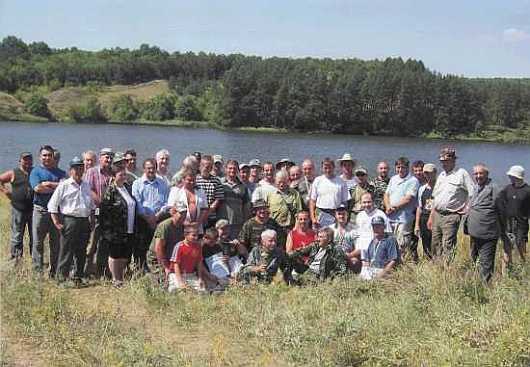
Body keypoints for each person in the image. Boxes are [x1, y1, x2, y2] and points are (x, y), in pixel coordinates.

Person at [47, 157, 94, 285]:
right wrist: (56, 222)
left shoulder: (86, 185)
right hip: (70, 220)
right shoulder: (64, 185)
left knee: (81, 251)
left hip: (84, 221)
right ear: (70, 170)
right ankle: (61, 278)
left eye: (81, 168)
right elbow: (52, 205)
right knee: (66, 250)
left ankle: (78, 277)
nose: (79, 171)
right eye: (75, 169)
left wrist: (92, 221)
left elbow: (91, 205)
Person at [427, 147, 474, 262]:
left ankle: (448, 268)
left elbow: (473, 192)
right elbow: (434, 197)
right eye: (442, 161)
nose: (444, 164)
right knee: (435, 243)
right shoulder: (442, 175)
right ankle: (437, 268)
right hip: (437, 214)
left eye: (446, 161)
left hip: (451, 215)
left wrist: (466, 208)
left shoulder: (461, 173)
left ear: (453, 160)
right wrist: (430, 216)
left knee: (448, 243)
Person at [29, 145, 66, 277]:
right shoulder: (35, 172)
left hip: (56, 212)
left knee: (56, 243)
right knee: (38, 242)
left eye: (49, 155)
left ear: (53, 157)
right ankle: (37, 272)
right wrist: (57, 188)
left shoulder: (61, 173)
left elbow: (65, 189)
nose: (47, 158)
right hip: (41, 211)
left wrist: (48, 184)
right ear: (40, 157)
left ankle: (54, 271)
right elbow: (37, 189)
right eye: (44, 155)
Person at [99, 164, 137, 286]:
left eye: (124, 174)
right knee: (115, 254)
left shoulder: (127, 187)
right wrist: (107, 230)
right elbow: (104, 211)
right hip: (115, 230)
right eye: (121, 175)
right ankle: (116, 279)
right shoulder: (110, 190)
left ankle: (121, 276)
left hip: (129, 227)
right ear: (114, 176)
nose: (123, 177)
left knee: (125, 253)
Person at [464, 164, 501, 283]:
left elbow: (501, 209)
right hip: (474, 233)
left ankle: (485, 288)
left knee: (486, 262)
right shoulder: (476, 187)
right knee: (475, 259)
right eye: (476, 173)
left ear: (487, 174)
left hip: (488, 234)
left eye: (481, 173)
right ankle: (476, 282)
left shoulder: (493, 188)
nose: (478, 176)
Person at [132, 158, 170, 272]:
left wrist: (157, 216)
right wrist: (147, 218)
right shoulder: (137, 183)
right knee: (142, 245)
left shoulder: (163, 184)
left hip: (159, 218)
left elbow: (167, 202)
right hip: (143, 219)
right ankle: (141, 269)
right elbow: (137, 202)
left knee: (158, 245)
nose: (151, 170)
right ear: (144, 169)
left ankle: (158, 267)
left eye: (153, 168)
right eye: (148, 168)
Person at [84, 147, 114, 277]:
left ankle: (100, 271)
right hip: (95, 213)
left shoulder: (113, 173)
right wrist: (101, 204)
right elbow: (89, 190)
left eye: (110, 157)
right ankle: (85, 271)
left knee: (105, 244)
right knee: (91, 244)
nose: (108, 159)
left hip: (109, 216)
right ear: (100, 158)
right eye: (106, 156)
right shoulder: (92, 172)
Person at [384, 157, 420, 262]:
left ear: (407, 168)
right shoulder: (393, 179)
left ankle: (401, 266)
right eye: (398, 167)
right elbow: (386, 194)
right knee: (389, 242)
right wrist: (387, 206)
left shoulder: (413, 181)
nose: (400, 170)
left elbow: (408, 198)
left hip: (404, 219)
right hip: (390, 217)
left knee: (402, 245)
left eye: (403, 167)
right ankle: (390, 264)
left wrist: (393, 208)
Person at [0, 152, 34, 260]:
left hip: (34, 210)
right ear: (20, 161)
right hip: (18, 209)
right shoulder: (13, 172)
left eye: (29, 159)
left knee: (35, 236)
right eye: (25, 159)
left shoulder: (35, 172)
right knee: (17, 235)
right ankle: (16, 259)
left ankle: (34, 259)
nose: (27, 161)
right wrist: (5, 191)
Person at [498, 165, 530, 273]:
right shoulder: (507, 188)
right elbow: (499, 201)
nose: (510, 177)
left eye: (511, 175)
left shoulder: (527, 190)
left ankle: (524, 271)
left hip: (521, 225)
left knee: (521, 247)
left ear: (518, 177)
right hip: (508, 224)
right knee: (507, 248)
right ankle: (506, 273)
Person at [168, 224, 217, 292]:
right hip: (176, 274)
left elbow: (199, 263)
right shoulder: (179, 246)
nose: (196, 237)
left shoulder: (198, 246)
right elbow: (175, 265)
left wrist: (200, 278)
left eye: (197, 235)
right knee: (177, 290)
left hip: (190, 274)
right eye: (193, 235)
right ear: (186, 235)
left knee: (202, 291)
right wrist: (180, 281)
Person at [149, 204, 187, 285]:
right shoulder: (164, 226)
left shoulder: (183, 226)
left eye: (185, 213)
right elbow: (158, 249)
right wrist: (166, 267)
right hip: (157, 258)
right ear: (173, 212)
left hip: (172, 257)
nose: (183, 215)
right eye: (181, 213)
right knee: (163, 282)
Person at [309, 158, 350, 228]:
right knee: (320, 237)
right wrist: (313, 218)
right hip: (320, 213)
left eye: (330, 167)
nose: (328, 170)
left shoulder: (341, 182)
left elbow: (345, 203)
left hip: (335, 214)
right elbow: (312, 201)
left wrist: (343, 217)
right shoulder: (317, 180)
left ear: (334, 167)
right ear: (322, 168)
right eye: (325, 168)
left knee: (335, 237)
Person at [217, 160, 251, 239]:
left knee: (235, 246)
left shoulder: (243, 187)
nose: (232, 170)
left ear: (238, 171)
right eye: (230, 168)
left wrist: (245, 223)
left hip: (237, 224)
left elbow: (246, 207)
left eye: (234, 168)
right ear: (225, 169)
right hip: (221, 222)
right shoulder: (219, 183)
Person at [360, 216, 400, 280]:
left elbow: (393, 261)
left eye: (379, 226)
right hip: (372, 270)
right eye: (374, 226)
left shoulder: (390, 240)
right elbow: (367, 261)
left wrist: (381, 275)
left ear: (384, 227)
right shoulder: (371, 242)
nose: (376, 228)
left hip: (385, 271)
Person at [170, 170, 209, 234]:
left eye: (194, 180)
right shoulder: (176, 191)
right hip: (180, 227)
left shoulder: (201, 192)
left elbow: (204, 209)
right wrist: (184, 223)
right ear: (183, 179)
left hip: (197, 228)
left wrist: (198, 223)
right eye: (189, 180)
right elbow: (171, 210)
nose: (192, 182)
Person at [195, 155, 225, 228]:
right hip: (196, 215)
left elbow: (218, 199)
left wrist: (207, 214)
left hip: (211, 216)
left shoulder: (216, 181)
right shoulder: (194, 180)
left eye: (210, 167)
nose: (208, 169)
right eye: (206, 167)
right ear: (200, 166)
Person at [415, 163, 437, 259]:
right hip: (424, 218)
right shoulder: (422, 189)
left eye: (430, 173)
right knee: (425, 242)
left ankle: (437, 263)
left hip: (435, 218)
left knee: (435, 243)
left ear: (435, 173)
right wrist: (417, 225)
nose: (428, 175)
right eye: (426, 173)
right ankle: (429, 262)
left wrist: (431, 218)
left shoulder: (439, 187)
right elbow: (419, 207)